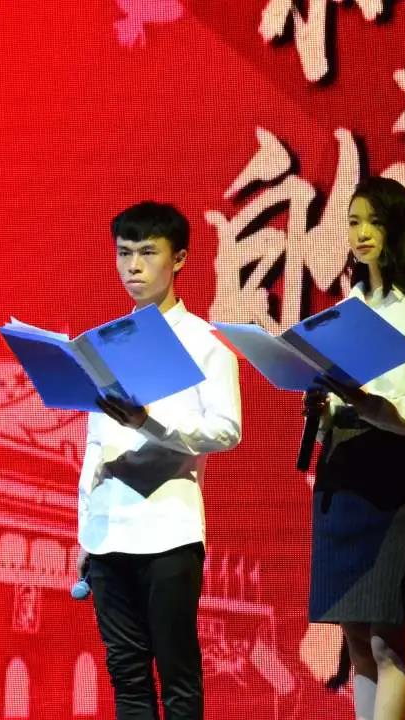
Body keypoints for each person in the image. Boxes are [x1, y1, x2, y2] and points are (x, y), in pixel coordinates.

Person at [305, 177, 405, 720]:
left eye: (374, 221)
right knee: (355, 637)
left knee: (387, 638)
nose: (362, 233)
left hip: (394, 474)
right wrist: (322, 403)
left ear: (399, 230)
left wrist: (374, 405)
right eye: (353, 222)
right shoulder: (347, 308)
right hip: (343, 470)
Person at [78, 201, 241, 720]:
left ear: (180, 259)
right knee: (127, 678)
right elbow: (95, 444)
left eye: (148, 253)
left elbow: (227, 430)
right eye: (124, 253)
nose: (133, 266)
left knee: (178, 678)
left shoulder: (206, 343)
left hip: (169, 530)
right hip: (108, 532)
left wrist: (149, 422)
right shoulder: (103, 343)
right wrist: (85, 529)